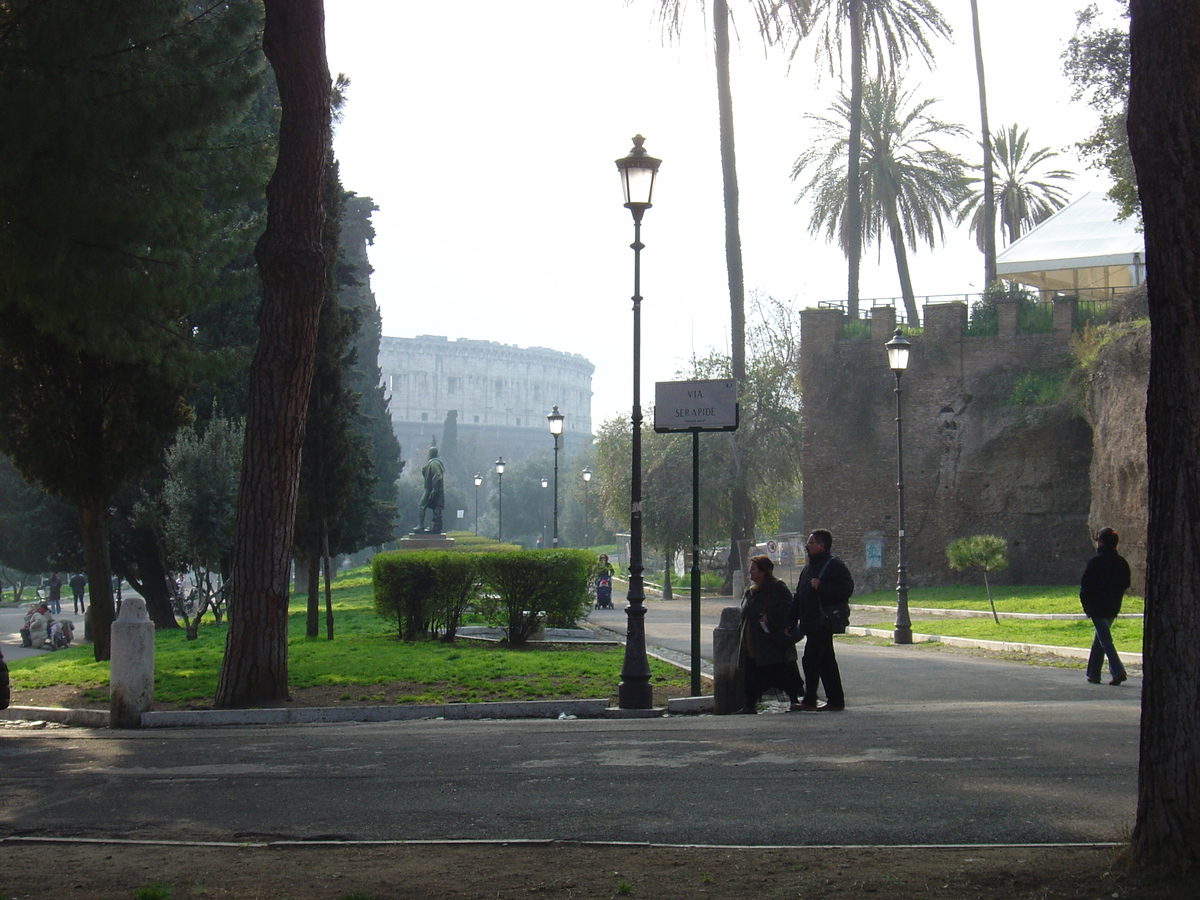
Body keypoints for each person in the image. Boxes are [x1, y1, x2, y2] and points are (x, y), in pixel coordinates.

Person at [736, 554, 805, 714]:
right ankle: (750, 705)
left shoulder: (777, 587)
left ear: (763, 571)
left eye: (753, 569)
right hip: (753, 643)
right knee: (752, 673)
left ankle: (794, 701)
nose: (750, 572)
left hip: (771, 643)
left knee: (783, 671)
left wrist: (770, 617)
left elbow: (789, 608)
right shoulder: (751, 590)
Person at [793, 530, 854, 712]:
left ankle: (810, 699)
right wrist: (790, 620)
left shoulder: (834, 566)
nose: (807, 545)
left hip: (822, 622)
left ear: (822, 545)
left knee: (811, 659)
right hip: (810, 622)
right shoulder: (808, 569)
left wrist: (822, 587)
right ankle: (835, 700)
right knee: (826, 661)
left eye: (811, 542)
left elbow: (846, 589)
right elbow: (799, 597)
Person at [1079, 526, 1132, 686]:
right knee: (1100, 638)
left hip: (1096, 607)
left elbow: (1085, 585)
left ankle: (1118, 670)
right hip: (1113, 606)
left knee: (1105, 640)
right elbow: (1126, 583)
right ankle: (1093, 673)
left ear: (1101, 543)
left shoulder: (1095, 562)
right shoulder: (1121, 562)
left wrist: (1086, 605)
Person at [416, 444, 446, 533]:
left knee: (422, 506)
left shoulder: (434, 463)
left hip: (430, 490)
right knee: (434, 508)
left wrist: (434, 490)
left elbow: (437, 476)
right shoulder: (432, 463)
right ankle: (431, 526)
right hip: (431, 489)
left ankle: (421, 526)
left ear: (431, 453)